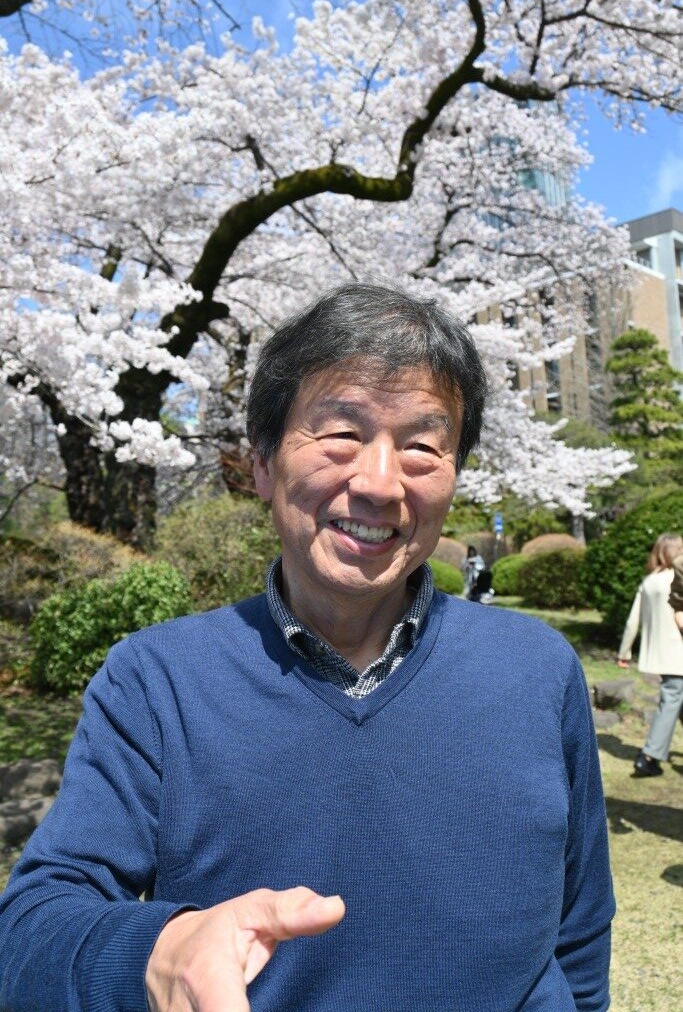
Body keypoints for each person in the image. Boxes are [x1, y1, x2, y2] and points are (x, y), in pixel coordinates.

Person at [0, 283, 615, 1012]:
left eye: (422, 446)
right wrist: (160, 952)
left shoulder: (536, 669)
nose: (379, 483)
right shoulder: (157, 681)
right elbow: (28, 933)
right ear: (262, 464)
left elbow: (579, 938)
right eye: (341, 434)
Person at [617, 533, 683, 777]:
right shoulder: (678, 578)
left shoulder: (649, 581)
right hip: (679, 651)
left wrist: (624, 651)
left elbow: (632, 622)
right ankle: (648, 756)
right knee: (672, 699)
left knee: (676, 699)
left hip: (660, 654)